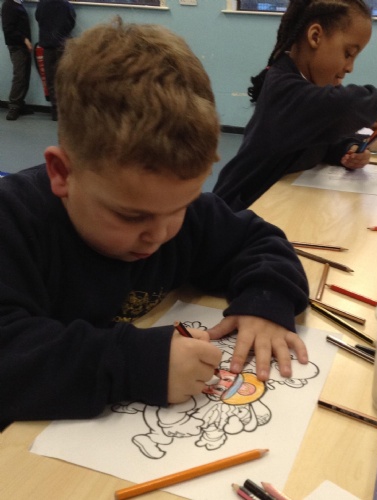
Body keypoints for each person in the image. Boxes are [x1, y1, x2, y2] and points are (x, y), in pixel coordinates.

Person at [0, 18, 310, 430]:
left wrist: (265, 302)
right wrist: (135, 363)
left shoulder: (175, 212)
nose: (160, 234)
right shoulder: (13, 223)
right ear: (62, 173)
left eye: (180, 206)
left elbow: (258, 241)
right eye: (132, 216)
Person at [213, 0, 377, 211]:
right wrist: (375, 102)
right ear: (315, 36)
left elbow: (317, 139)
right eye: (348, 54)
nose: (350, 67)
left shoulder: (306, 89)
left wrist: (348, 148)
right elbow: (345, 106)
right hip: (234, 212)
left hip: (271, 208)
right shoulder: (284, 88)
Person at [35, 0, 76, 121]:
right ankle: (65, 110)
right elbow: (71, 22)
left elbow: (38, 18)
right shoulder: (66, 5)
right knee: (65, 79)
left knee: (51, 80)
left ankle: (55, 110)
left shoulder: (42, 4)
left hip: (47, 45)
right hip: (62, 46)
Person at [1, 0, 32, 121]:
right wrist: (24, 39)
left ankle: (19, 104)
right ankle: (14, 106)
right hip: (17, 46)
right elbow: (8, 29)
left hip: (22, 47)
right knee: (20, 76)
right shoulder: (8, 5)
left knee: (25, 76)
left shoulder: (18, 4)